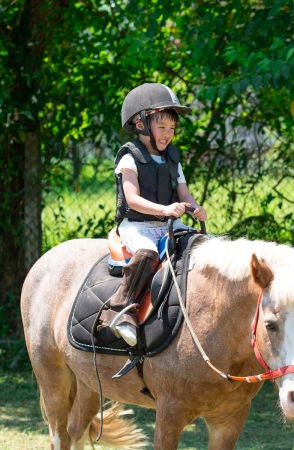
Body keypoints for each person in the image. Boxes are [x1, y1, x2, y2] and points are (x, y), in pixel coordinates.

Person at [98, 83, 207, 347]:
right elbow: (132, 199)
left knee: (204, 244)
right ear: (140, 124)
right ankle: (121, 311)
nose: (168, 134)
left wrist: (195, 208)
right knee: (147, 253)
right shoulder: (130, 158)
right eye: (162, 127)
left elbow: (184, 194)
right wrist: (164, 210)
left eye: (172, 128)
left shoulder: (172, 159)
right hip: (138, 226)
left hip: (170, 222)